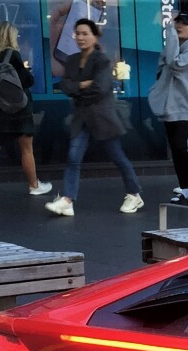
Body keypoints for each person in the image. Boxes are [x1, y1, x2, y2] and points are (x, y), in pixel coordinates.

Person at [46, 18, 142, 216]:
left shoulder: (102, 60)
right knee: (73, 157)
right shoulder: (72, 60)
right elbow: (64, 85)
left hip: (102, 118)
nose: (80, 37)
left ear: (94, 36)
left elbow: (100, 88)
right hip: (81, 117)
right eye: (77, 33)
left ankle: (134, 194)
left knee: (117, 156)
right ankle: (67, 199)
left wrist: (76, 87)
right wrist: (82, 85)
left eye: (84, 33)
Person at [0, 22, 51, 199]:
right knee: (26, 149)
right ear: (10, 37)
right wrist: (27, 70)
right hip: (18, 110)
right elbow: (28, 81)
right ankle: (34, 185)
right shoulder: (13, 55)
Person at [149, 13, 188, 204]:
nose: (179, 26)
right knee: (175, 149)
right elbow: (161, 65)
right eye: (177, 23)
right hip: (169, 106)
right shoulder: (174, 45)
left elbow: (174, 64)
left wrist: (170, 35)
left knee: (183, 146)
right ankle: (185, 188)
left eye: (185, 24)